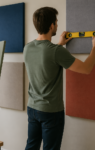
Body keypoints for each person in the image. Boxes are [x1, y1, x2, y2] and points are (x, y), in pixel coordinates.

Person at [24, 7, 95, 150]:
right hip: (51, 112)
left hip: (32, 108)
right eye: (56, 22)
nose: (57, 25)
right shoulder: (56, 51)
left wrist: (60, 43)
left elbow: (46, 57)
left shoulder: (28, 47)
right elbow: (87, 69)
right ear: (51, 26)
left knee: (31, 146)